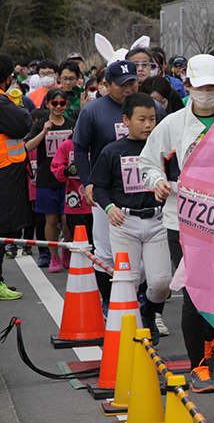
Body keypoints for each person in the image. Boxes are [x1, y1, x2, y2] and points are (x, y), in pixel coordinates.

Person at [138, 54, 214, 393]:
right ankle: (199, 366)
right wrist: (157, 180)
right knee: (195, 290)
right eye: (200, 86)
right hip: (184, 219)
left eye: (213, 87)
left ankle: (212, 348)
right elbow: (148, 161)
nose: (207, 93)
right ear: (187, 85)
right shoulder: (172, 123)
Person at [88, 93, 171, 345]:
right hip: (124, 223)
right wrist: (109, 206)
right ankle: (128, 329)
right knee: (129, 280)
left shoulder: (164, 150)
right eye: (141, 119)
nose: (148, 125)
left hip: (158, 221)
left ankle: (148, 315)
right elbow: (98, 186)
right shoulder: (112, 150)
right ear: (126, 120)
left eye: (153, 119)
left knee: (161, 282)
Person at [73, 60, 141, 313]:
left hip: (141, 191)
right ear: (106, 85)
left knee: (142, 256)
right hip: (106, 191)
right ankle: (107, 300)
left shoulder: (147, 106)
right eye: (122, 84)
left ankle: (140, 300)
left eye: (132, 82)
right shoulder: (93, 111)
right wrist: (88, 182)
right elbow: (80, 149)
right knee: (105, 251)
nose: (128, 88)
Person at [24, 88, 75, 272]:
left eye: (62, 103)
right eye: (55, 103)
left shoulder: (71, 124)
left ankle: (66, 252)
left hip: (69, 178)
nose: (59, 107)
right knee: (51, 220)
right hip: (46, 178)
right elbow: (27, 147)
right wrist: (44, 132)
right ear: (47, 104)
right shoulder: (41, 125)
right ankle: (54, 257)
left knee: (67, 218)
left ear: (66, 104)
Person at [0, 53, 32, 299]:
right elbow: (23, 123)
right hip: (4, 173)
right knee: (3, 227)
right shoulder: (2, 103)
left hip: (6, 171)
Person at [51, 127, 93, 246]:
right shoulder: (67, 145)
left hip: (98, 201)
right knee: (80, 241)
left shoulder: (100, 144)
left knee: (98, 243)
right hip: (76, 201)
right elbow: (55, 167)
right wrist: (66, 170)